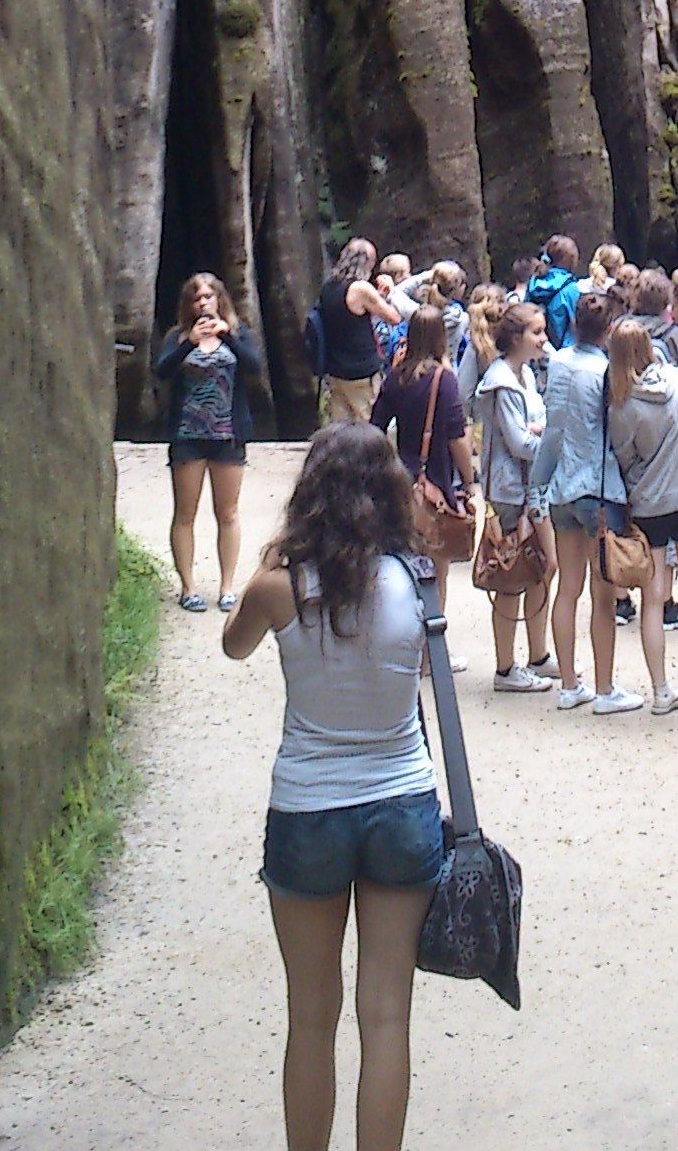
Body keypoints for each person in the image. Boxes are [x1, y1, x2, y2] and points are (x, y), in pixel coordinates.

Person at [222, 424, 444, 1151]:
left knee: (311, 1015)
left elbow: (233, 645)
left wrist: (272, 563)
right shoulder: (417, 582)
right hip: (401, 802)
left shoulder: (278, 589)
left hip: (309, 808)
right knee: (387, 1016)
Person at [530, 286, 642, 713]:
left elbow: (553, 429)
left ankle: (569, 685)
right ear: (609, 329)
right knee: (603, 592)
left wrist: (538, 484)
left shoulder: (558, 363)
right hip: (599, 488)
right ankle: (605, 688)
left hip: (562, 486)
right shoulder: (607, 372)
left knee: (568, 588)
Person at [606, 319, 678, 716]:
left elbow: (624, 455)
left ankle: (660, 691)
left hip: (647, 503)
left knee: (652, 601)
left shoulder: (622, 405)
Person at [156, 274, 263, 612]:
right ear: (188, 304)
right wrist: (189, 342)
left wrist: (227, 335)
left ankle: (227, 587)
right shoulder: (176, 337)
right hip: (187, 436)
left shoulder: (237, 332)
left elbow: (254, 367)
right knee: (185, 513)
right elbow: (161, 372)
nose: (203, 303)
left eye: (208, 296)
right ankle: (188, 588)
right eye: (196, 298)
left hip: (227, 435)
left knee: (227, 513)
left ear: (220, 299)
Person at [371, 310, 477, 641]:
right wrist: (469, 480)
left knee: (402, 568)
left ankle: (403, 642)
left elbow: (375, 427)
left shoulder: (396, 377)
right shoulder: (443, 379)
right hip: (435, 483)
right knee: (435, 572)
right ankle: (431, 651)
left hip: (400, 482)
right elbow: (457, 437)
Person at [474, 299, 557, 692]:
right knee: (509, 577)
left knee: (542, 567)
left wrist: (541, 430)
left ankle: (538, 655)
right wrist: (552, 437)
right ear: (516, 338)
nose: (544, 339)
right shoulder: (503, 383)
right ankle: (505, 669)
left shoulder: (525, 374)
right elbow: (521, 442)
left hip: (532, 489)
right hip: (509, 492)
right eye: (537, 332)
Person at [304, 240, 399, 429]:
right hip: (361, 374)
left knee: (341, 429)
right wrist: (392, 291)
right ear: (367, 263)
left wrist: (377, 297)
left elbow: (351, 315)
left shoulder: (329, 286)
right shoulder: (360, 288)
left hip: (336, 372)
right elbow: (394, 318)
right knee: (368, 427)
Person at [528, 235, 584, 350]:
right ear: (570, 259)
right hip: (564, 351)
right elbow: (576, 324)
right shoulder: (570, 288)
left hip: (536, 348)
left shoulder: (534, 283)